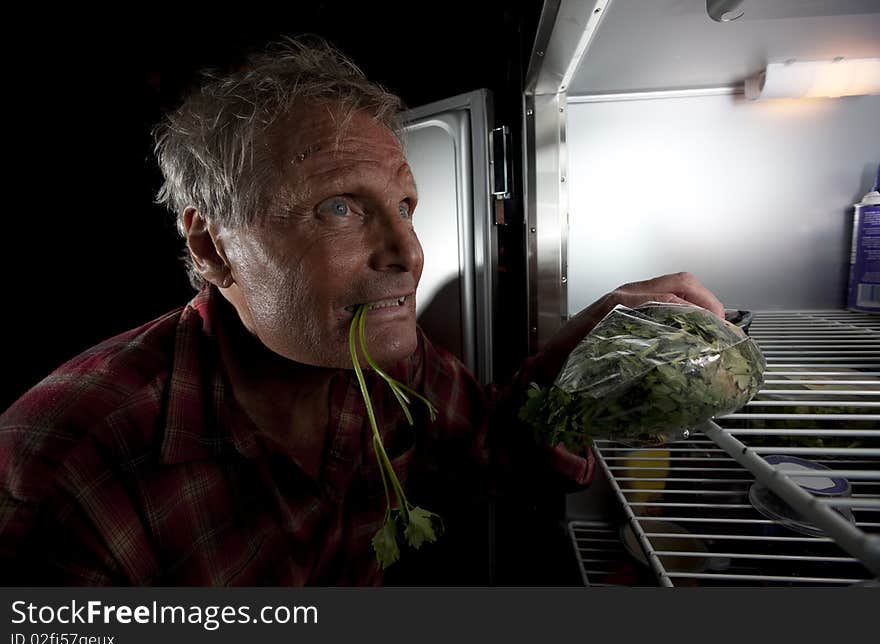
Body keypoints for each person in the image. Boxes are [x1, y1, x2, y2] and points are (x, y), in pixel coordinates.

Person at [0, 38, 723, 585]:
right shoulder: (65, 462)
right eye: (339, 207)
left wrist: (586, 348)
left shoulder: (384, 367)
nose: (407, 251)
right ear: (212, 246)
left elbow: (498, 445)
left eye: (405, 205)